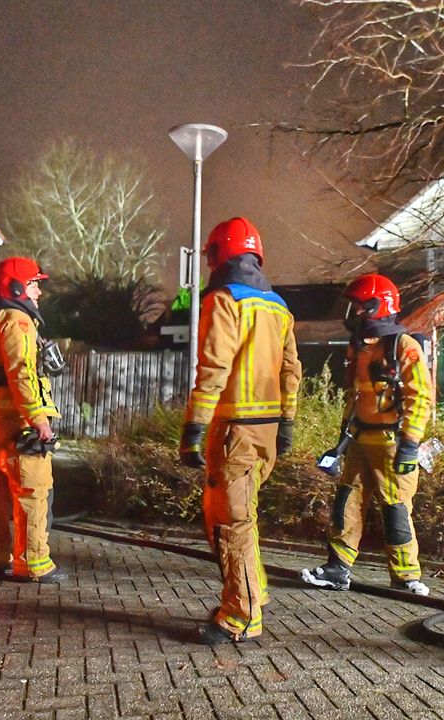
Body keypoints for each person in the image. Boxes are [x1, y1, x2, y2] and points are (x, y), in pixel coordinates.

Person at [179, 216, 302, 644]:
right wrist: (286, 422)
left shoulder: (224, 300)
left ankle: (241, 615)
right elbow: (291, 371)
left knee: (230, 523)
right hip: (265, 431)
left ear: (217, 255)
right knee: (241, 520)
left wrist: (194, 427)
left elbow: (213, 369)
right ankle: (254, 591)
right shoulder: (278, 305)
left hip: (233, 431)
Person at [301, 274, 435, 596]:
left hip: (393, 444)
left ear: (378, 306)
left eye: (360, 305)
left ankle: (405, 577)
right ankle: (337, 569)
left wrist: (410, 444)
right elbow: (355, 396)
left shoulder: (405, 346)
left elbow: (421, 399)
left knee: (396, 509)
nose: (355, 312)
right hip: (360, 442)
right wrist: (341, 441)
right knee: (347, 503)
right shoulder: (359, 347)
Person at [0, 256, 67, 583]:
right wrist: (38, 418)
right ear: (16, 286)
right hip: (13, 416)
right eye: (34, 284)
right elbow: (22, 372)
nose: (38, 292)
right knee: (32, 488)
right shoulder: (16, 320)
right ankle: (33, 563)